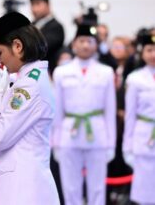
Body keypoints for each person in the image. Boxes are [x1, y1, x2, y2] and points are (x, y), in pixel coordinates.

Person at [0, 11, 60, 205]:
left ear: (17, 46)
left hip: (22, 190)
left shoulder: (28, 85)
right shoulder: (27, 79)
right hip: (20, 187)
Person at [52, 23, 116, 205]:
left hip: (97, 132)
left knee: (97, 187)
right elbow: (57, 111)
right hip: (68, 133)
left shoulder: (106, 72)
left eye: (89, 41)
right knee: (70, 186)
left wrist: (111, 143)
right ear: (73, 44)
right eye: (81, 41)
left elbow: (110, 110)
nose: (85, 45)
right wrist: (55, 141)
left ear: (95, 45)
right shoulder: (61, 72)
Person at [123, 32, 155, 205]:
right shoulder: (135, 79)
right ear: (142, 53)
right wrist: (127, 147)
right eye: (149, 50)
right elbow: (130, 115)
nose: (153, 54)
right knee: (144, 191)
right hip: (143, 136)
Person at [30, 0, 64, 75]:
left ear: (48, 5)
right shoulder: (30, 25)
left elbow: (44, 47)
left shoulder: (56, 26)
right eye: (32, 5)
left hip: (48, 72)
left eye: (38, 4)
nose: (34, 9)